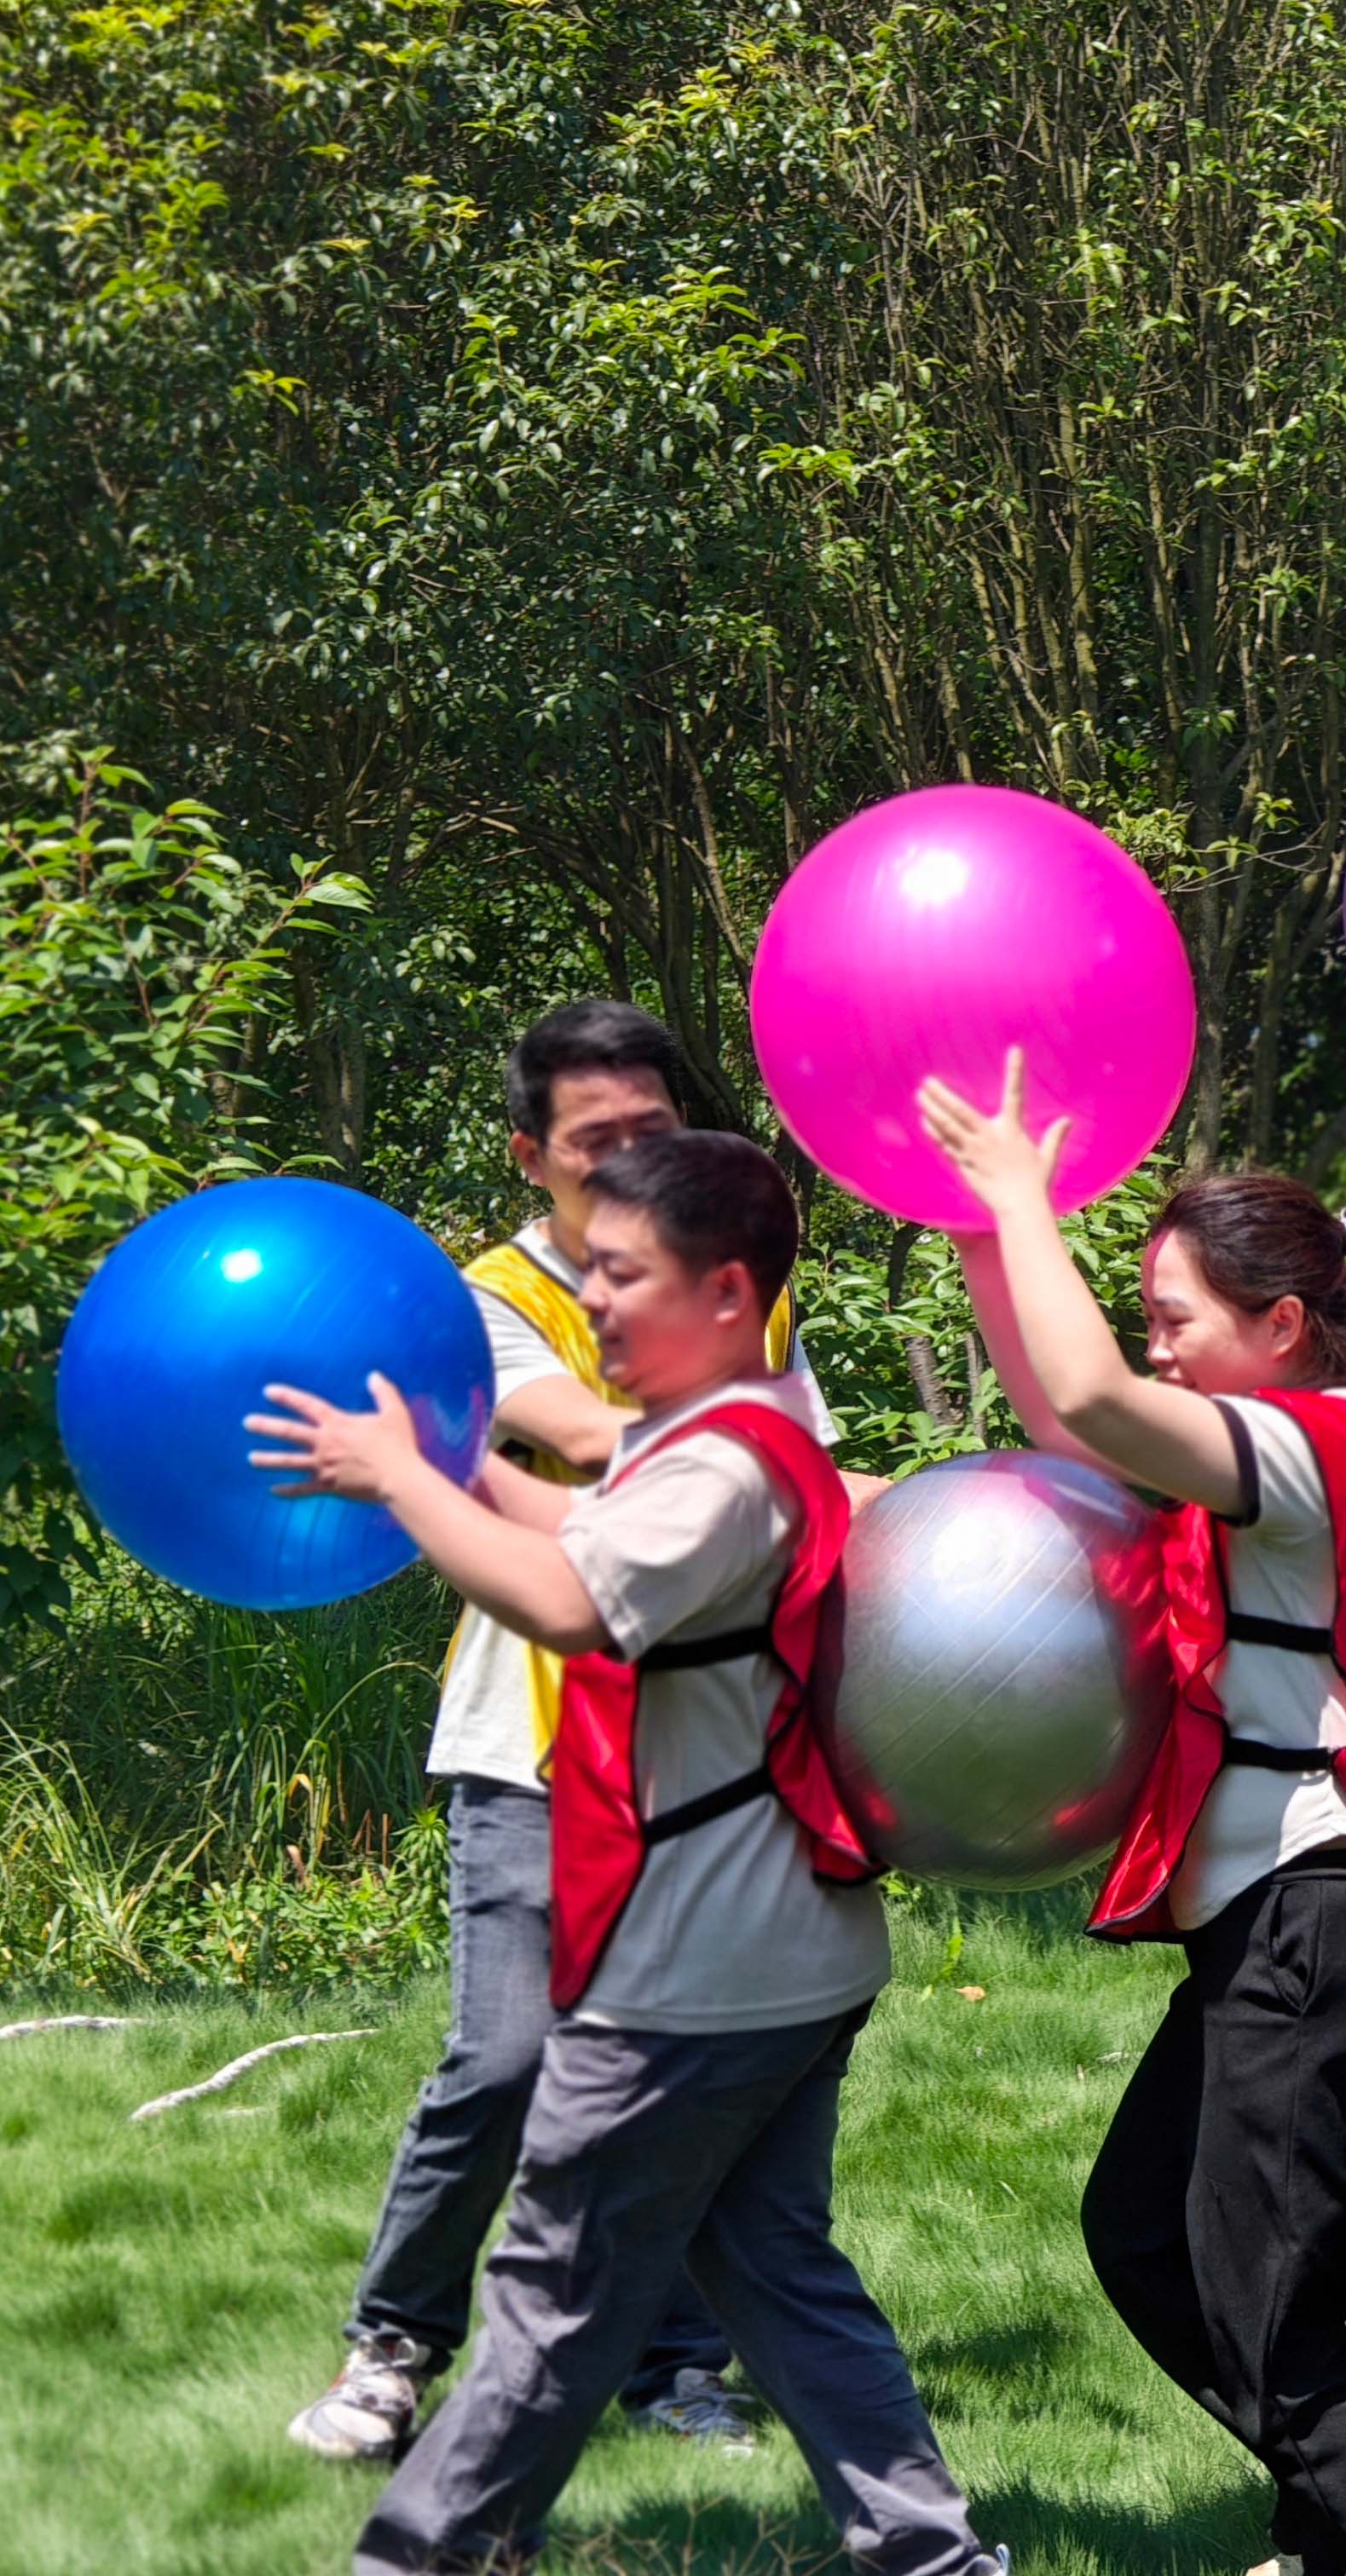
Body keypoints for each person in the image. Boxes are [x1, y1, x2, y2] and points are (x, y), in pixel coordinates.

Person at [249, 1130, 999, 2576]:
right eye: (590, 1268)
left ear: (726, 1292)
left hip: (694, 1976)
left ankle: (418, 2555)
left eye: (623, 1274)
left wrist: (406, 1483)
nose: (590, 1298)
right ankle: (934, 2555)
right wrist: (447, 1463)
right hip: (787, 1951)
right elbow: (587, 1519)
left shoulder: (719, 1467)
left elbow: (570, 1598)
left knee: (554, 2290)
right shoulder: (735, 1433)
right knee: (775, 2272)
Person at [921, 1053, 1346, 2576]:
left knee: (1263, 2293)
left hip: (1329, 1908)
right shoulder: (1277, 1447)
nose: (1154, 1349)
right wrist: (982, 1234)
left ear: (1281, 1327)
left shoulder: (1317, 1441)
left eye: (1175, 1321)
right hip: (1282, 1918)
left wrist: (1027, 1196)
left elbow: (1094, 1398)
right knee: (1152, 2231)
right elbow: (1074, 1420)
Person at [289, 1000, 829, 2465]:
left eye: (656, 1128)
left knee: (686, 2070)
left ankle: (675, 2366)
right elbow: (598, 1443)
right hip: (529, 1744)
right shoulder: (480, 1298)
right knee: (507, 2058)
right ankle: (394, 2349)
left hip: (702, 1760)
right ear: (532, 1156)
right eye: (597, 1141)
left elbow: (794, 1472)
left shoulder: (744, 1286)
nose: (630, 1158)